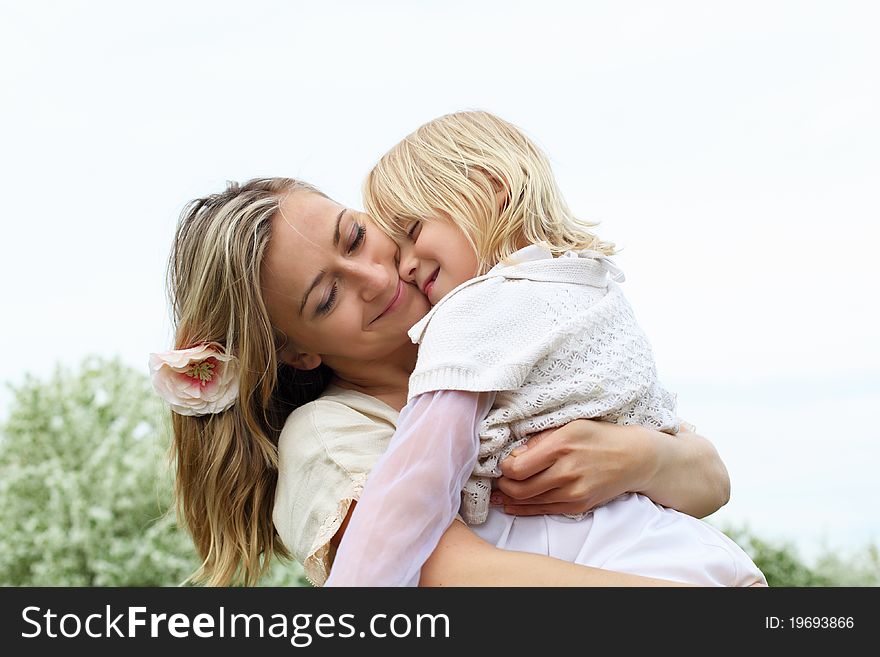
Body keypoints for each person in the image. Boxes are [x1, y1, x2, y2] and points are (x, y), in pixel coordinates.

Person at [152, 176, 736, 587]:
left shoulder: (496, 324)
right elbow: (453, 579)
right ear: (296, 351)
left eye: (355, 237)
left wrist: (638, 460)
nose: (375, 276)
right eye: (327, 297)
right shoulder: (331, 436)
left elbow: (710, 481)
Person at [323, 111, 767, 587]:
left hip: (610, 561)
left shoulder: (475, 310)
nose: (406, 266)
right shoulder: (588, 285)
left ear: (490, 186)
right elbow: (686, 455)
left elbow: (416, 478)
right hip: (678, 551)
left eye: (412, 231)